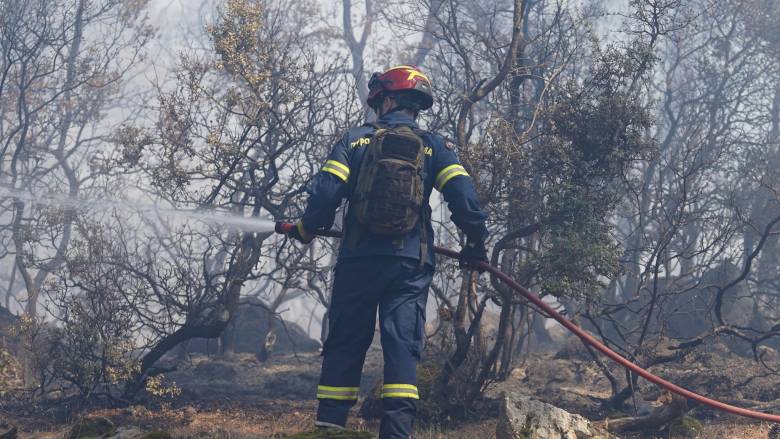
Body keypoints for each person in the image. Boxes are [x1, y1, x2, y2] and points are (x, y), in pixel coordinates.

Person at [282, 65, 489, 439]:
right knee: (402, 346)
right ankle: (396, 433)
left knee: (346, 340)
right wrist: (475, 244)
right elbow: (463, 197)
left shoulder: (355, 140)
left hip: (358, 260)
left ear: (387, 99)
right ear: (416, 105)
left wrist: (306, 227)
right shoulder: (434, 146)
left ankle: (330, 428)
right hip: (410, 264)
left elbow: (326, 194)